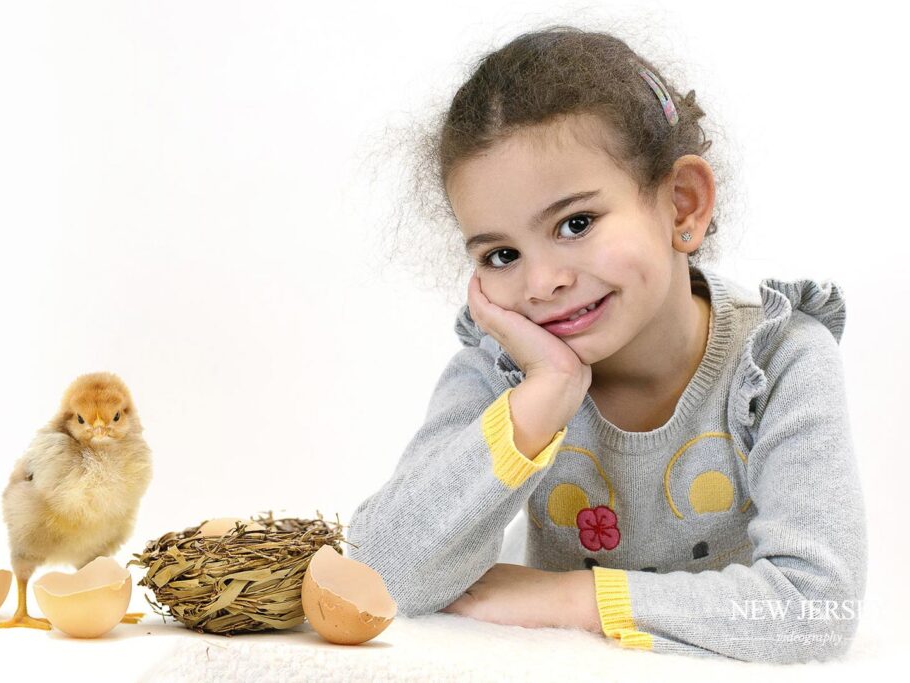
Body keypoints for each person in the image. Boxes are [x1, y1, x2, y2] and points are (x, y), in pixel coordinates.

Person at [344, 26, 865, 664]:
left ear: (682, 205)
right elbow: (382, 576)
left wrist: (572, 599)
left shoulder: (780, 360)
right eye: (502, 254)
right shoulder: (503, 374)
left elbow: (818, 607)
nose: (543, 283)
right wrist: (549, 392)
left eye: (576, 223)